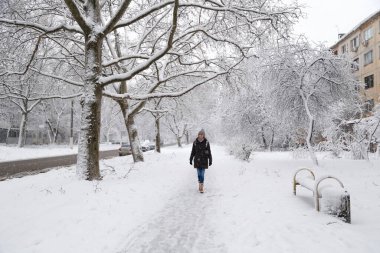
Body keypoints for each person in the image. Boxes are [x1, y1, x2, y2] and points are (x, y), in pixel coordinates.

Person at [190, 129, 212, 193]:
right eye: (199, 134)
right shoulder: (195, 142)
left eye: (202, 134)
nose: (200, 135)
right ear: (198, 135)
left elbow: (209, 152)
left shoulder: (206, 142)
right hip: (197, 160)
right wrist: (191, 159)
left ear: (204, 135)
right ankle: (200, 183)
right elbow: (193, 152)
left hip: (204, 160)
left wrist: (210, 160)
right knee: (199, 174)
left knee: (202, 174)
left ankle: (201, 187)